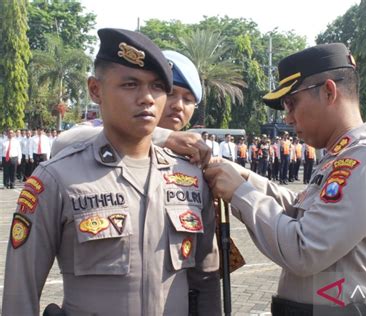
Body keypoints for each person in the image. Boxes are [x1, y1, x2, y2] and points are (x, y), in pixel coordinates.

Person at [2, 28, 220, 316]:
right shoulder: (57, 179)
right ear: (95, 90)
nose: (147, 98)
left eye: (157, 87)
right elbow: (21, 294)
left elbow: (206, 279)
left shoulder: (191, 178)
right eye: (130, 85)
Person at [204, 43, 366, 315]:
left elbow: (305, 249)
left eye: (291, 102)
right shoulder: (343, 153)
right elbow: (303, 213)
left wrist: (240, 193)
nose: (287, 117)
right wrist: (245, 178)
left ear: (328, 91)